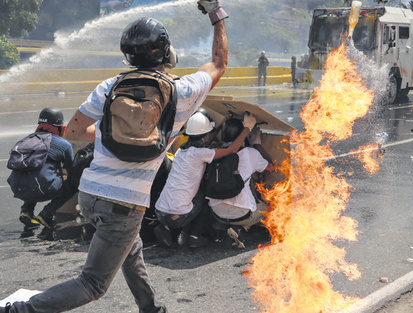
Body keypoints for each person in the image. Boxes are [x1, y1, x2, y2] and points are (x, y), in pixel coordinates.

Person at [0, 0, 229, 312]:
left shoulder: (110, 87)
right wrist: (216, 13)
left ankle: (150, 308)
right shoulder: (181, 91)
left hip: (91, 194)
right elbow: (218, 63)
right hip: (125, 203)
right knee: (93, 283)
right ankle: (18, 310)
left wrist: (109, 135)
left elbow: (74, 131)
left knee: (130, 248)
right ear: (165, 53)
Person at [154, 112, 256, 248]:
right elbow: (232, 150)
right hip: (177, 217)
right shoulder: (200, 154)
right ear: (205, 134)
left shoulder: (181, 151)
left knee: (190, 196)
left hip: (160, 212)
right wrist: (247, 127)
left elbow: (206, 141)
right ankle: (195, 236)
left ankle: (167, 229)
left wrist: (222, 122)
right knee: (205, 195)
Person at [7, 107, 74, 240]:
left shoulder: (27, 140)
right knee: (71, 184)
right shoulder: (63, 144)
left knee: (32, 175)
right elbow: (71, 169)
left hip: (18, 189)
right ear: (61, 126)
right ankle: (46, 214)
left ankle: (26, 211)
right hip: (41, 190)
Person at [207, 120, 271, 249]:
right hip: (243, 214)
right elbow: (269, 166)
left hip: (216, 213)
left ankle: (224, 227)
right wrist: (257, 144)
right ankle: (242, 227)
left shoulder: (213, 152)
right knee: (267, 210)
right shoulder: (249, 153)